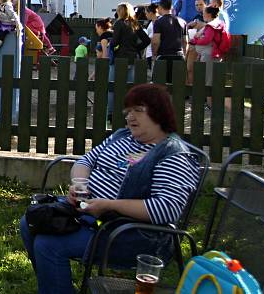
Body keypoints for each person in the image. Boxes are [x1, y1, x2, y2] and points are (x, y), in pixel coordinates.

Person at [19, 83, 199, 294]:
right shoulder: (123, 137)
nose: (130, 117)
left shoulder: (172, 154)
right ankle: (56, 287)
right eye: (127, 112)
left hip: (129, 233)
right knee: (29, 222)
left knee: (48, 245)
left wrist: (108, 205)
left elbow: (166, 208)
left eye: (138, 111)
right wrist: (79, 186)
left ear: (159, 113)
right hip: (92, 213)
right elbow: (86, 161)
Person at [188, 5, 227, 86]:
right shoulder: (218, 23)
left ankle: (207, 98)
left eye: (203, 13)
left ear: (208, 15)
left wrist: (195, 41)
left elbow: (206, 39)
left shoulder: (211, 26)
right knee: (212, 79)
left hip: (209, 55)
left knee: (208, 81)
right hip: (214, 54)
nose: (202, 15)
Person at [151, 0, 187, 84]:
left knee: (160, 85)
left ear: (160, 7)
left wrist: (154, 54)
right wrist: (184, 54)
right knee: (178, 86)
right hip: (179, 56)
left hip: (163, 56)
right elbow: (185, 41)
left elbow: (155, 41)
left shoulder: (158, 22)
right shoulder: (182, 21)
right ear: (171, 7)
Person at [185, 0, 207, 85]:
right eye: (196, 5)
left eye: (201, 4)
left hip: (207, 48)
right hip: (195, 46)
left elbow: (216, 27)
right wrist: (189, 25)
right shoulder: (197, 17)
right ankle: (190, 90)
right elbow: (190, 30)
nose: (198, 7)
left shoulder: (212, 15)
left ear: (206, 4)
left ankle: (203, 93)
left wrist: (203, 25)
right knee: (189, 68)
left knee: (203, 71)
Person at [144, 3, 158, 69]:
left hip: (152, 54)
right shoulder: (151, 23)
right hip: (150, 53)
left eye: (146, 13)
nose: (145, 15)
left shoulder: (156, 23)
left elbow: (153, 39)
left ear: (151, 13)